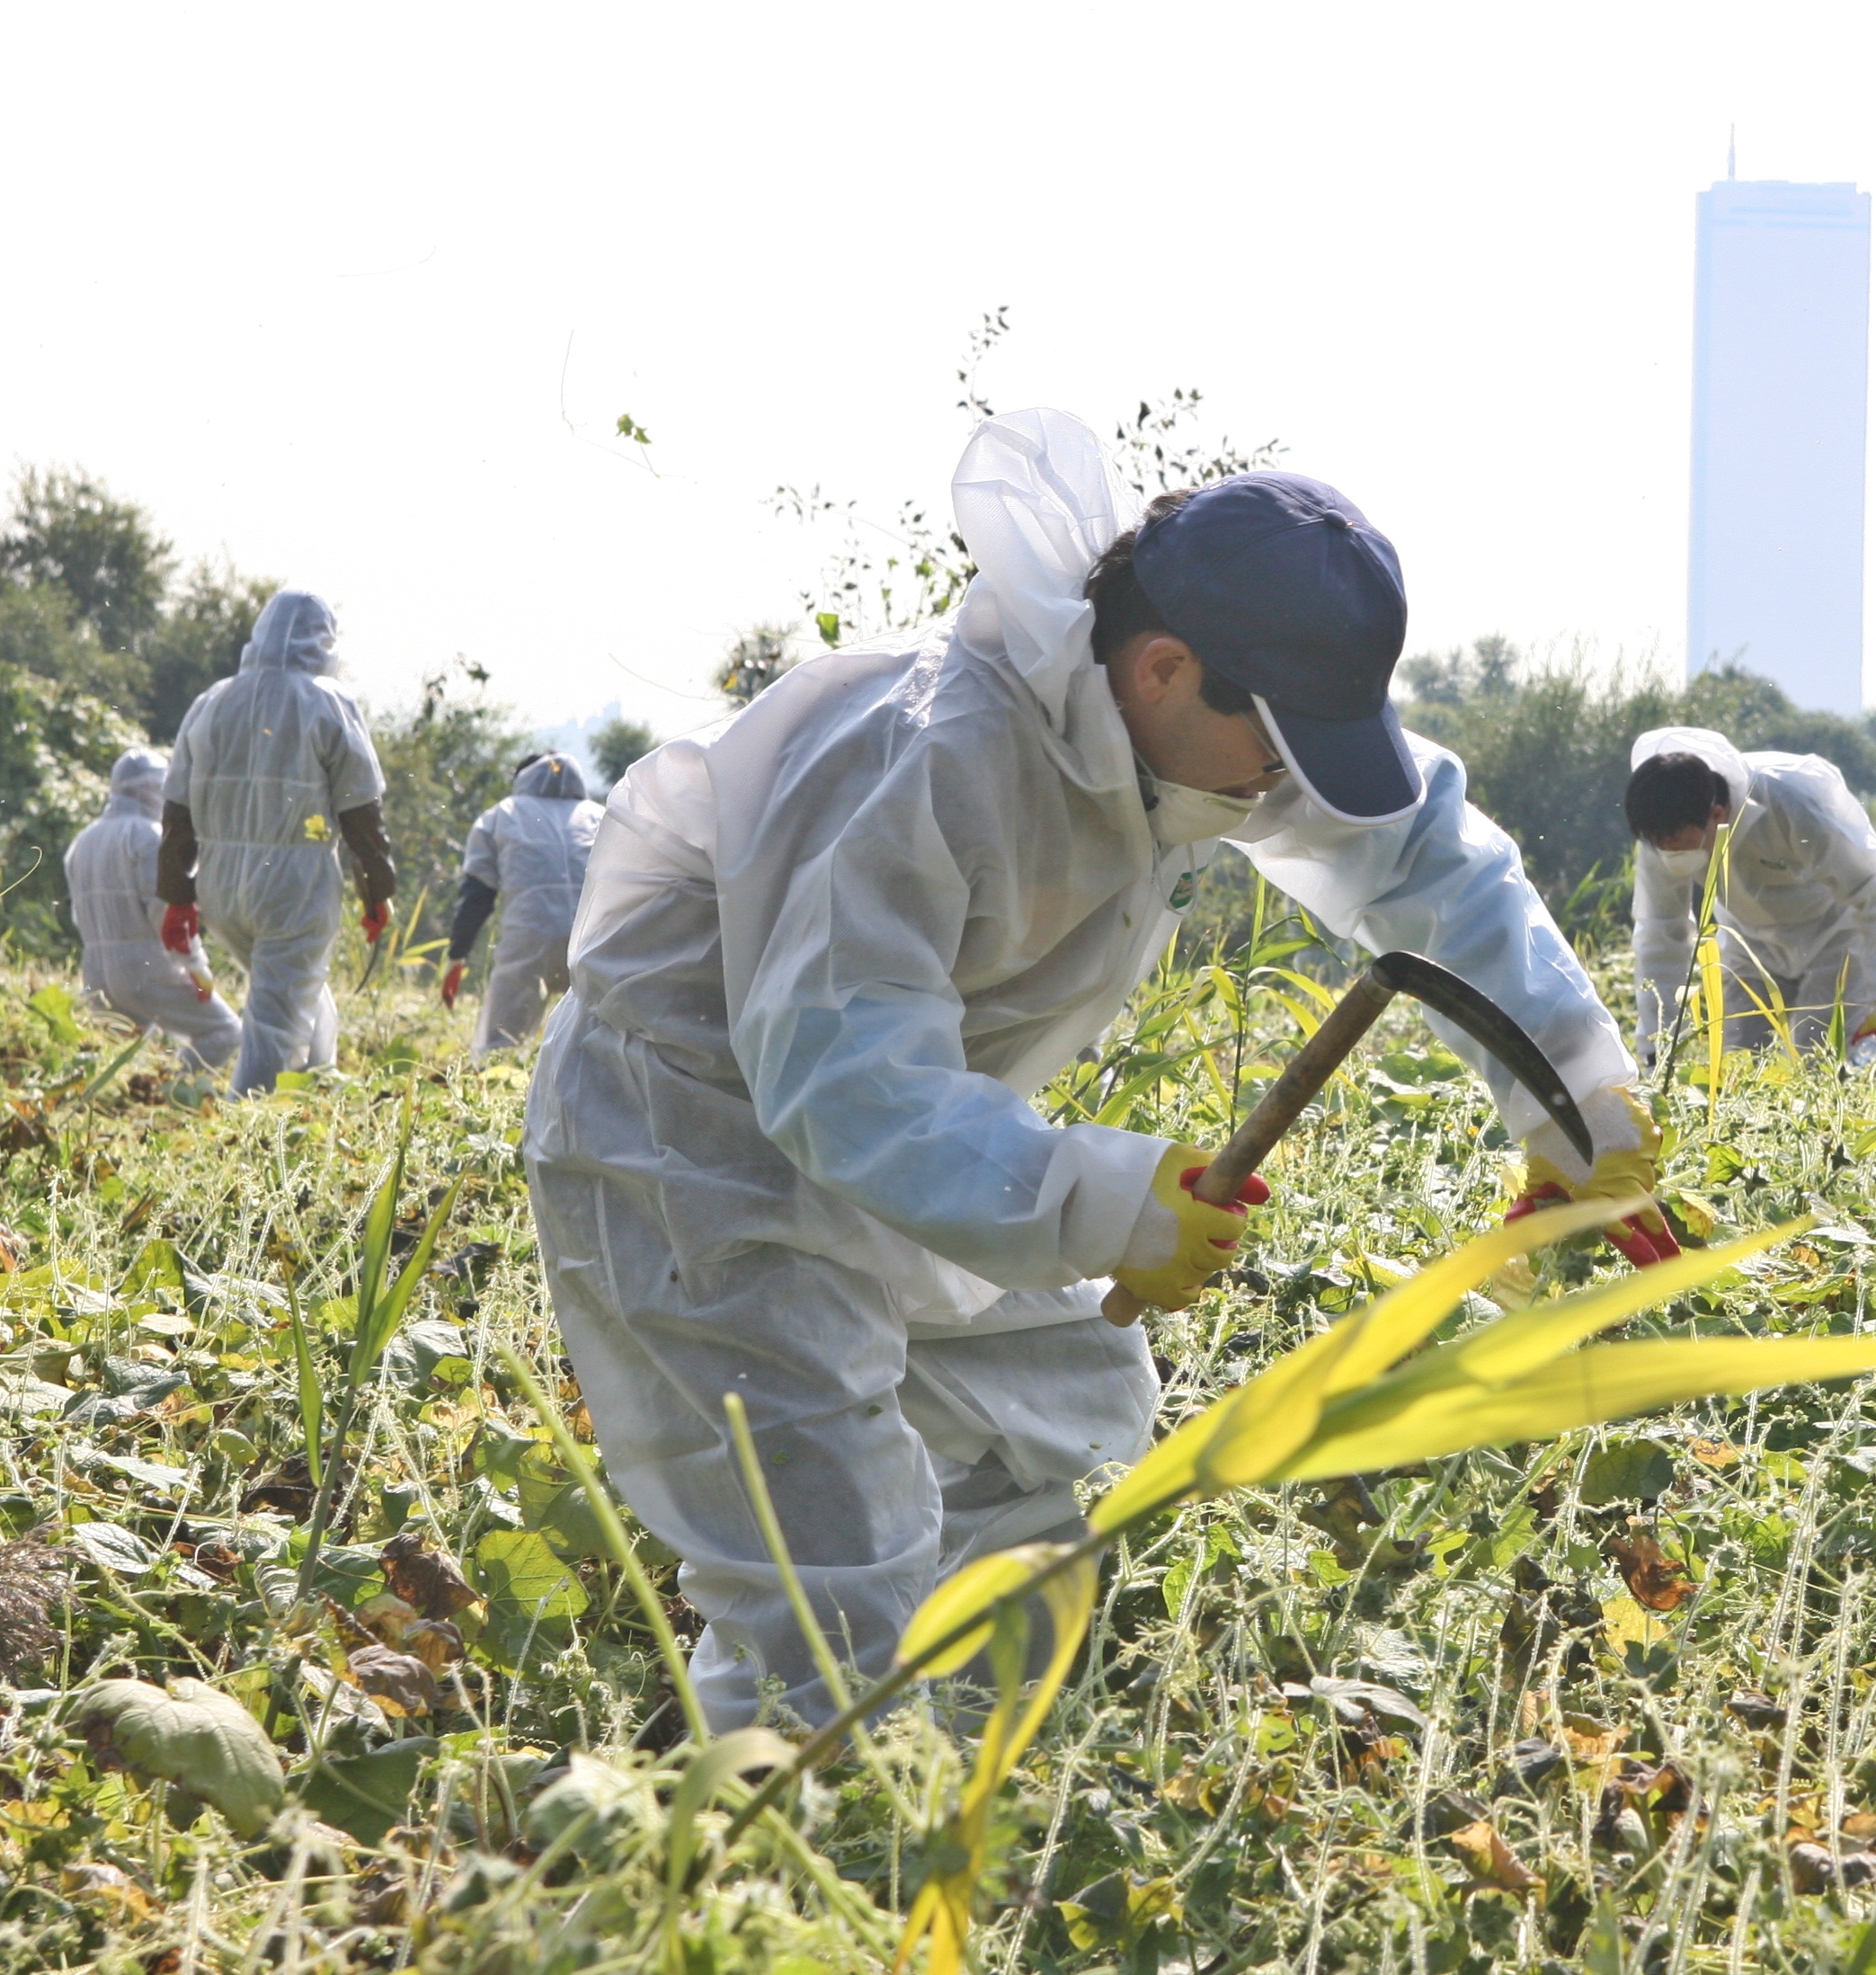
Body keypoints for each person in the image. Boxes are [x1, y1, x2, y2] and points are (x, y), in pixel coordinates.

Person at [524, 410, 1671, 1731]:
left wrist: (1575, 1093)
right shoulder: (931, 751)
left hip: (900, 1153)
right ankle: (744, 1841)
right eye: (1278, 746)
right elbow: (837, 1072)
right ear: (1164, 670)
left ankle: (940, 1771)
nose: (1281, 786)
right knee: (831, 1603)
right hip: (694, 1156)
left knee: (1060, 1401)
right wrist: (1114, 1202)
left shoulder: (1191, 728)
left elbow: (1423, 864)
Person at [156, 590, 393, 1094]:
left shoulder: (212, 701)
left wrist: (178, 896)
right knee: (275, 1017)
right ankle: (250, 1131)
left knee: (295, 993)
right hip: (294, 886)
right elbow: (360, 813)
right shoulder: (327, 701)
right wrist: (377, 891)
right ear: (325, 641)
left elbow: (176, 812)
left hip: (219, 887)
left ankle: (316, 1084)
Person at [1624, 727, 1876, 1063]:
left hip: (1833, 941)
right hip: (1747, 945)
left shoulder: (1794, 797)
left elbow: (1873, 887)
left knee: (1819, 1060)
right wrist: (1656, 1047)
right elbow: (1662, 932)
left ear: (1717, 816)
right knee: (1737, 1066)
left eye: (1681, 848)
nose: (1670, 856)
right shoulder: (1662, 835)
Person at [65, 747, 241, 1070]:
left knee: (118, 1058)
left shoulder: (83, 840)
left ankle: (131, 1104)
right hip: (147, 968)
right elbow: (165, 910)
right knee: (224, 1031)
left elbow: (79, 915)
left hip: (96, 971)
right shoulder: (148, 837)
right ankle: (174, 1094)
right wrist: (194, 966)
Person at [441, 752, 604, 1055]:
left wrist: (456, 957)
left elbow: (478, 895)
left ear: (522, 778)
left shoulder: (502, 815)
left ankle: (493, 1082)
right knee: (599, 1045)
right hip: (594, 938)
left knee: (499, 1047)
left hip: (528, 940)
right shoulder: (600, 815)